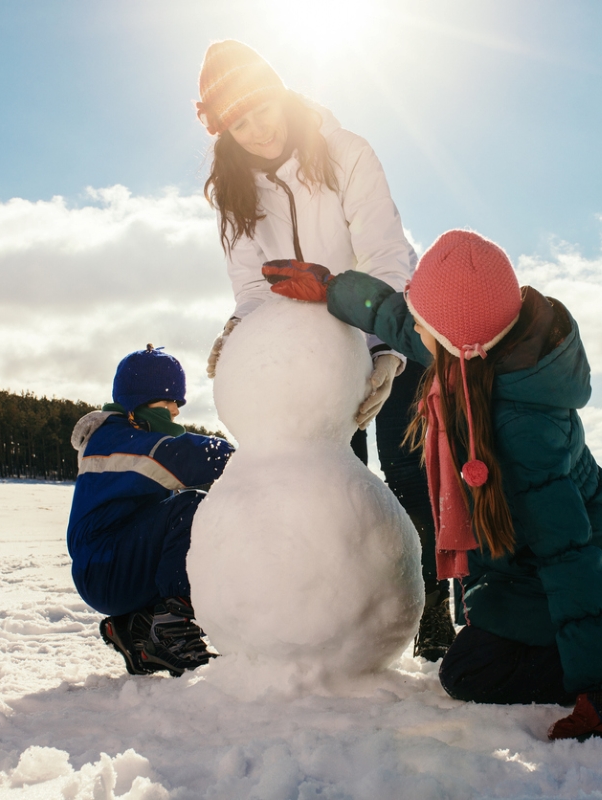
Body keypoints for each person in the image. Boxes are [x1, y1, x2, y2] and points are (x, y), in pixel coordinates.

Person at [263, 230, 602, 742]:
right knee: (481, 640)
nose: (413, 330)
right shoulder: (478, 351)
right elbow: (396, 317)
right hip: (519, 559)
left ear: (458, 341)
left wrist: (598, 692)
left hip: (566, 559)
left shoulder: (524, 430)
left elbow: (569, 556)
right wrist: (332, 286)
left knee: (469, 673)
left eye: (423, 322)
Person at [195, 40, 455, 659]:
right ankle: (350, 616)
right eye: (238, 121)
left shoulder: (344, 153)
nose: (256, 128)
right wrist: (237, 334)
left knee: (408, 470)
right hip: (317, 355)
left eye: (261, 108)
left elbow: (387, 258)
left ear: (278, 93)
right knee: (336, 480)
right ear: (223, 129)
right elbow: (254, 290)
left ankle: (434, 615)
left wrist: (389, 352)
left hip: (393, 323)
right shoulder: (235, 192)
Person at [68, 344, 235, 676]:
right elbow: (185, 457)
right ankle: (171, 629)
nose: (175, 411)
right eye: (168, 401)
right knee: (190, 510)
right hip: (107, 569)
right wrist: (250, 456)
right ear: (137, 404)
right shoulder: (116, 440)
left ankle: (137, 633)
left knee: (174, 518)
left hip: (113, 564)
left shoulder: (122, 436)